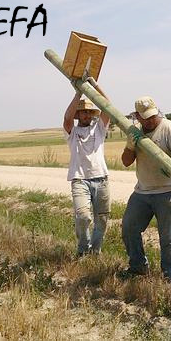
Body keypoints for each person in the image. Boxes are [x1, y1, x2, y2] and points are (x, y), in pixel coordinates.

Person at [120, 96, 171, 283]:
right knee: (128, 228)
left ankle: (169, 279)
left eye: (152, 116)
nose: (150, 120)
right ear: (137, 117)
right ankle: (138, 267)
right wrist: (130, 146)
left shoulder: (169, 127)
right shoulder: (135, 133)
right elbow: (126, 162)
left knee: (167, 239)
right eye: (145, 118)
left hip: (168, 191)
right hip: (142, 192)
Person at [63, 89, 111, 257]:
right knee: (83, 217)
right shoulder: (73, 132)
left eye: (89, 112)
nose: (87, 115)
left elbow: (108, 106)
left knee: (102, 220)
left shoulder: (99, 128)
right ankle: (83, 249)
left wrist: (94, 86)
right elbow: (67, 119)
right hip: (80, 179)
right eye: (83, 112)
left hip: (101, 179)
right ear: (78, 114)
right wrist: (78, 93)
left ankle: (95, 252)